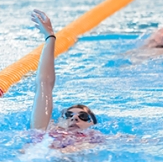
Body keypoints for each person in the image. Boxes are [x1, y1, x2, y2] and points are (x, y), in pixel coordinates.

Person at [28, 9, 105, 151]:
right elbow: (44, 83)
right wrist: (50, 37)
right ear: (57, 122)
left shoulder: (96, 139)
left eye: (83, 117)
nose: (75, 119)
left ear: (93, 125)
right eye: (68, 115)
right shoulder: (42, 133)